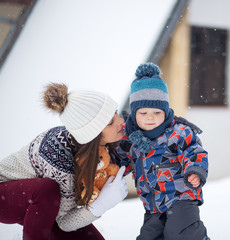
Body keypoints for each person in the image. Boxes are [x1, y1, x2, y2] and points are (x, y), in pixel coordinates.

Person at [0, 83, 128, 240]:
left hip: (44, 205)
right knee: (47, 190)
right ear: (92, 133)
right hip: (6, 197)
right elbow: (65, 222)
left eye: (116, 113)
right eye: (110, 122)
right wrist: (100, 206)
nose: (120, 121)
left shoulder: (91, 144)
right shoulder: (59, 159)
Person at [112, 63, 209, 240]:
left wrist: (195, 170)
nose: (150, 117)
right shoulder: (129, 139)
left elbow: (194, 150)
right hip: (152, 204)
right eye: (144, 113)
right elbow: (118, 161)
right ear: (134, 114)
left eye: (157, 112)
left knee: (181, 234)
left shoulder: (178, 132)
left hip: (181, 197)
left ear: (165, 112)